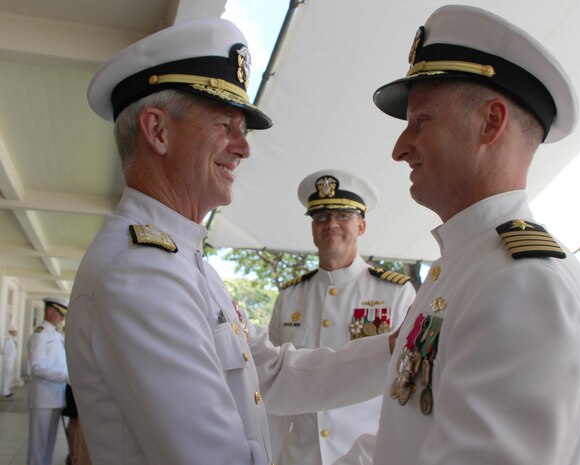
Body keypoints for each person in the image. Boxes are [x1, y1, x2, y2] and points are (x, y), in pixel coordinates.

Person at [65, 18, 398, 465]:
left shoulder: (181, 260)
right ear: (158, 131)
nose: (243, 147)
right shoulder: (140, 273)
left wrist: (401, 347)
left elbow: (274, 373)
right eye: (225, 124)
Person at [334, 5, 580, 465]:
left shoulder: (522, 285)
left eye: (421, 121)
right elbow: (399, 445)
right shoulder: (471, 269)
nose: (400, 148)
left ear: (491, 123)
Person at [268, 169, 416, 465]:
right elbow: (273, 380)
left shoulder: (396, 293)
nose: (331, 224)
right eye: (321, 217)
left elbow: (407, 386)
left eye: (342, 216)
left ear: (361, 226)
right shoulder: (290, 296)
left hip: (367, 456)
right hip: (299, 457)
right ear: (312, 228)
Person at [27, 297, 69, 465]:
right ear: (50, 311)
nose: (61, 318)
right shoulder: (39, 335)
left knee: (49, 443)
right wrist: (66, 377)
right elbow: (37, 367)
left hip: (56, 396)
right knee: (38, 445)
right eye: (60, 314)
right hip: (43, 398)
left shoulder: (57, 335)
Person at [1, 327, 18, 397]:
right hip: (8, 360)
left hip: (10, 360)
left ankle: (7, 389)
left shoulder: (12, 339)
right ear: (11, 332)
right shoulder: (8, 340)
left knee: (9, 375)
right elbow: (4, 350)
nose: (16, 333)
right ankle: (5, 391)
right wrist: (7, 355)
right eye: (15, 332)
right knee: (6, 375)